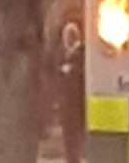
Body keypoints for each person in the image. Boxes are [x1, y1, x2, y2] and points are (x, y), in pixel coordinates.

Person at [56, 20, 84, 163]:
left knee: (76, 138)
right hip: (66, 106)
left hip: (77, 105)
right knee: (68, 139)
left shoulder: (81, 54)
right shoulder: (62, 55)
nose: (67, 39)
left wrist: (71, 71)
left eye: (70, 35)